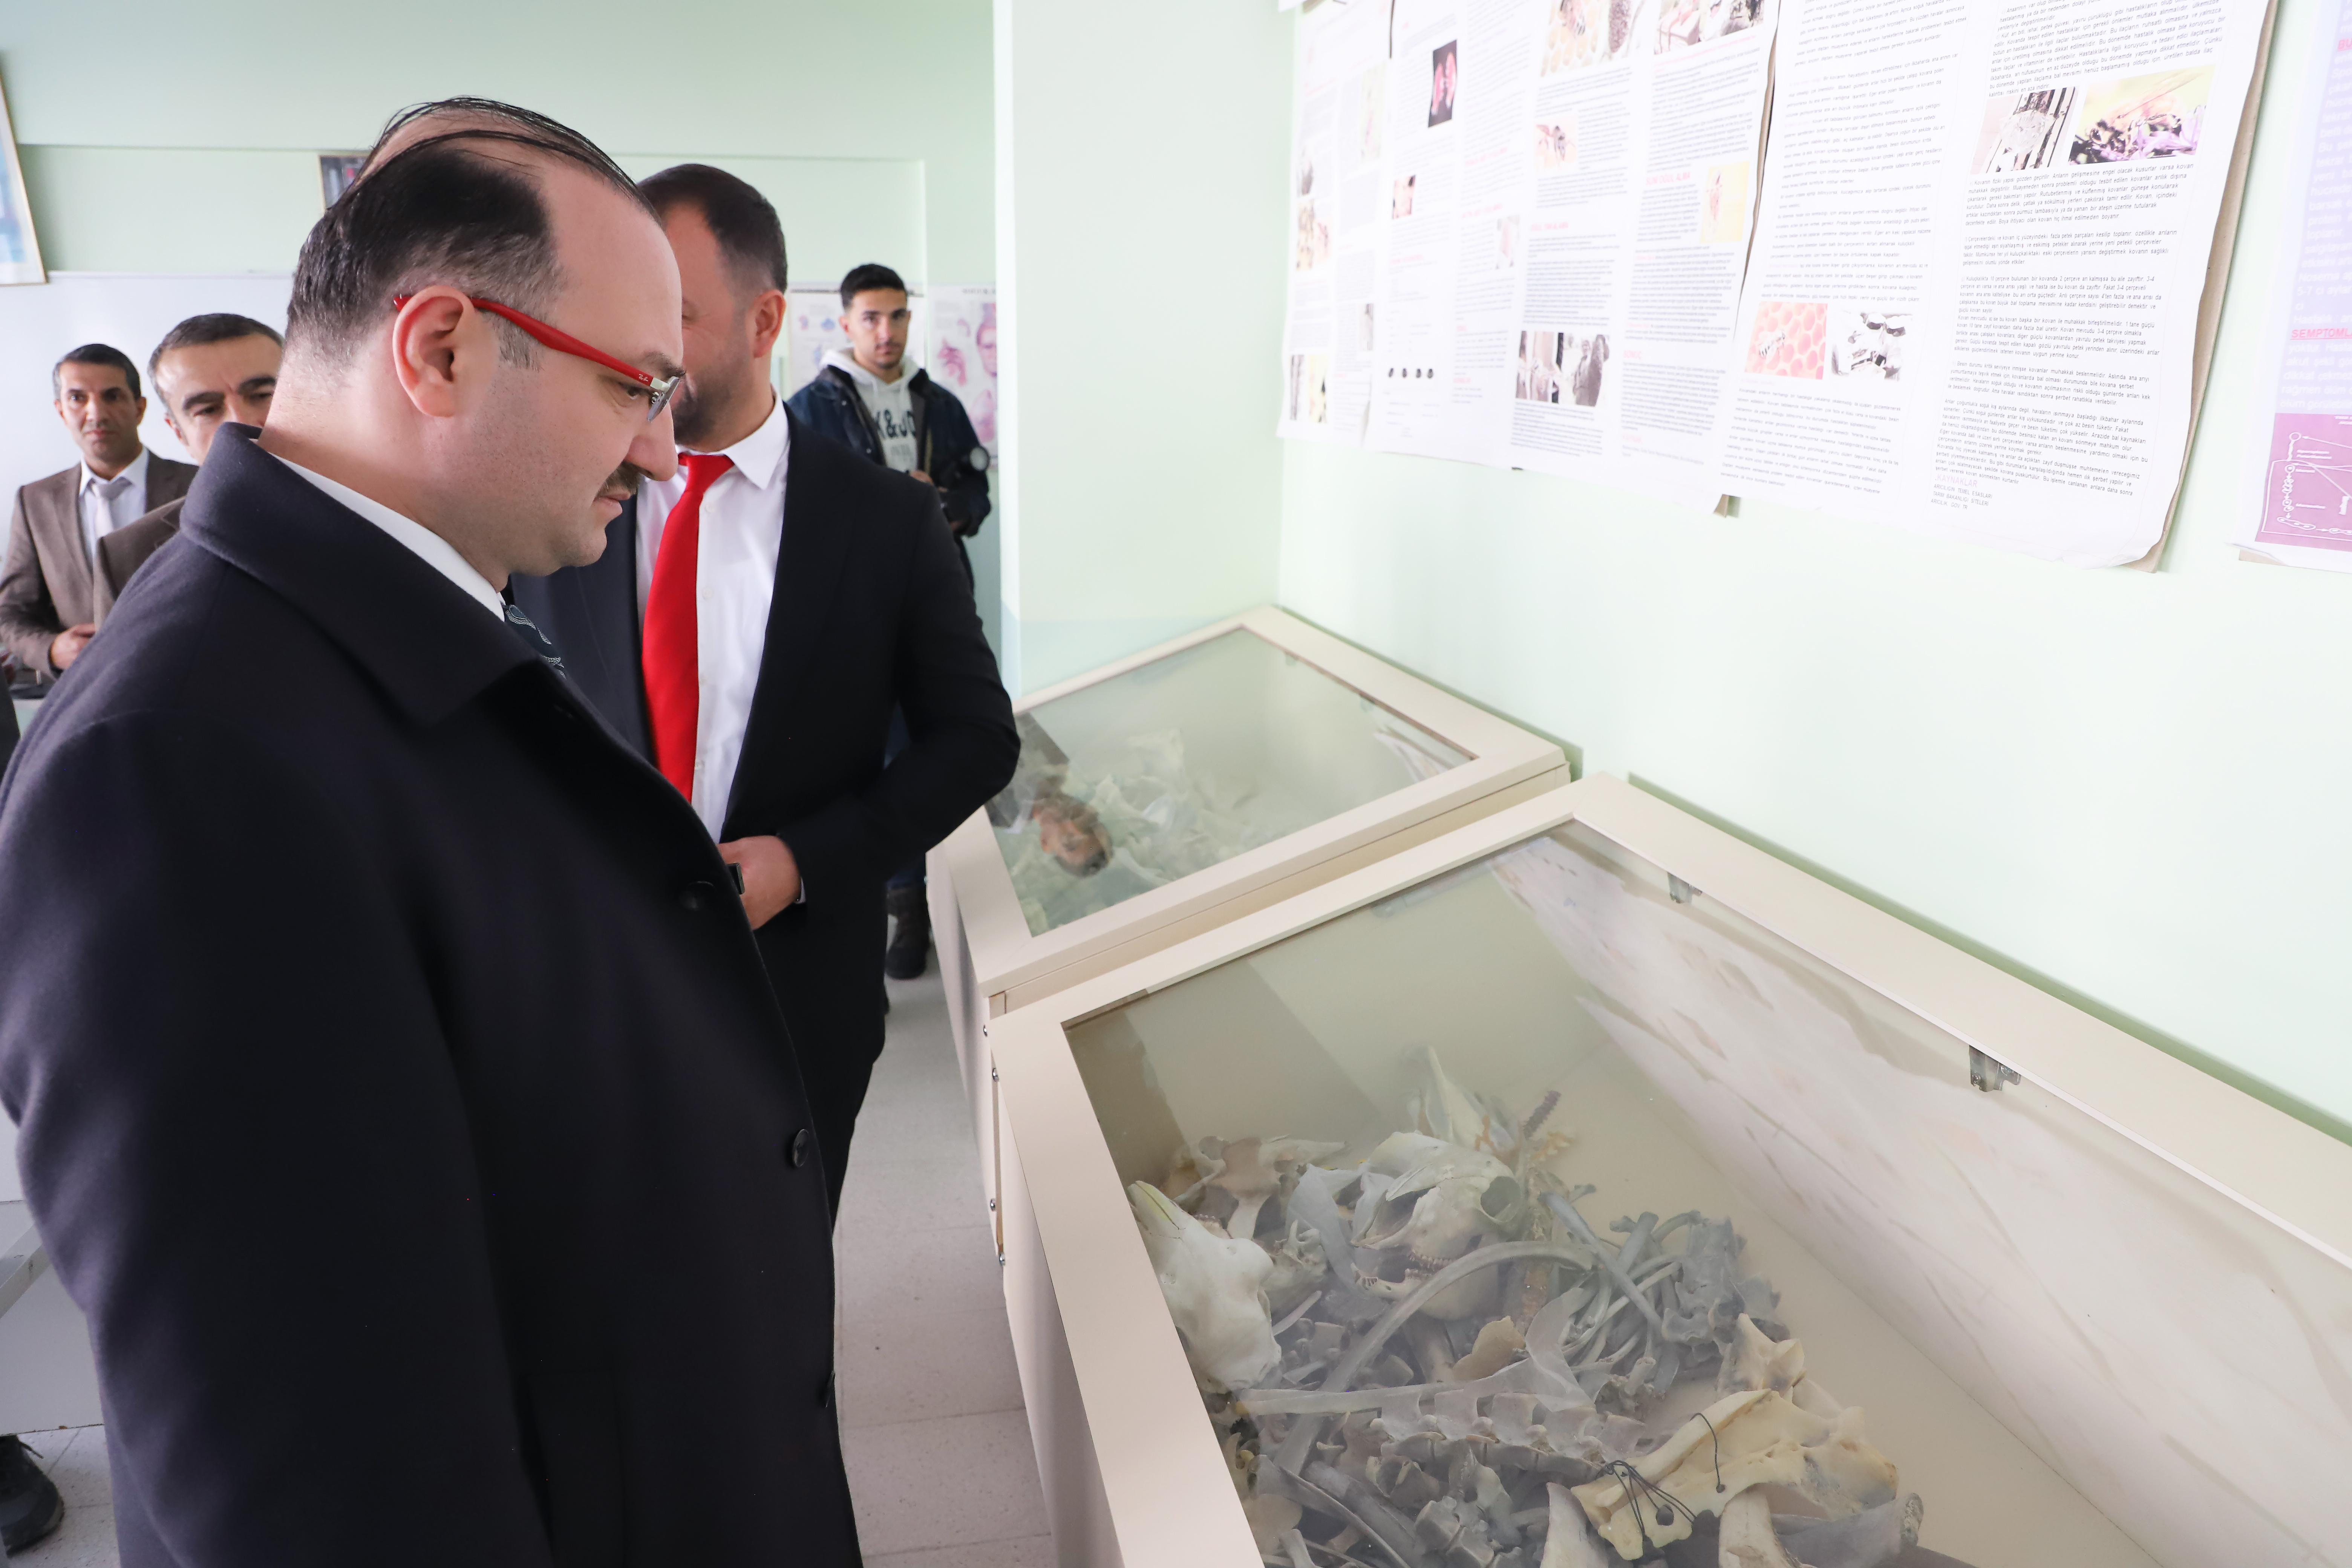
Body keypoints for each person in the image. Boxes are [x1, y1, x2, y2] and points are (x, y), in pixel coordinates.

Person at [0, 102, 861, 1565]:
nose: (663, 452)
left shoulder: (399, 620)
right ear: (443, 348)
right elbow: (304, 1470)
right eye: (636, 387)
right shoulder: (176, 765)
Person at [511, 164, 1016, 1215]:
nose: (633, 351)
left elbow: (975, 738)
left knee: (776, 1270)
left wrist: (808, 859)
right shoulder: (548, 502)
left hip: (794, 987)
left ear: (765, 320)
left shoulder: (884, 523)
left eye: (673, 316)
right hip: (586, 989)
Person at [787, 262, 997, 981]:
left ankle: (941, 898)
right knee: (869, 757)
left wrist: (945, 508)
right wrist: (887, 510)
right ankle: (898, 903)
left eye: (899, 316)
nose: (887, 332)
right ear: (845, 322)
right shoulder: (808, 410)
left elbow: (976, 486)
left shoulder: (939, 402)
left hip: (938, 601)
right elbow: (798, 515)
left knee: (949, 743)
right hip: (855, 612)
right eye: (872, 318)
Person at [0, 345, 196, 682]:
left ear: (139, 408)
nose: (96, 413)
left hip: (188, 680)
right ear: (61, 411)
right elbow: (11, 612)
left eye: (112, 396)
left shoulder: (199, 485)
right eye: (77, 398)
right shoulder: (35, 501)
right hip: (85, 689)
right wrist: (51, 648)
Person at [93, 313, 283, 624]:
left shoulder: (369, 506)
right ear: (179, 433)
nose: (242, 423)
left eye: (263, 396)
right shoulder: (126, 557)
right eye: (208, 410)